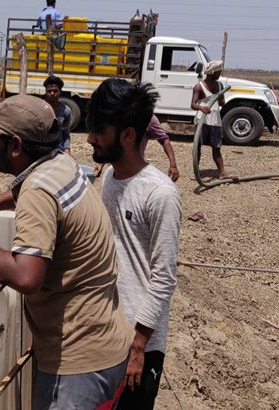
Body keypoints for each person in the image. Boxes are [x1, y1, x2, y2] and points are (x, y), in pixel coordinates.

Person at [0, 95, 133, 409]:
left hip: (77, 362)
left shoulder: (38, 192)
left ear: (14, 145)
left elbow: (27, 277)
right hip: (108, 339)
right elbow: (35, 191)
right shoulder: (60, 163)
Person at [87, 78, 182, 409]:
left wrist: (139, 347)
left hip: (139, 344)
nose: (89, 138)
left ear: (127, 135)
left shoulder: (160, 194)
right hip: (108, 329)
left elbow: (164, 276)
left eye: (99, 129)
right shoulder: (112, 177)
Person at [94, 115, 180, 182]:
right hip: (115, 167)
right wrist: (100, 163)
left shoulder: (149, 118)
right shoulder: (117, 115)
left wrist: (173, 165)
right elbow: (109, 140)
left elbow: (164, 139)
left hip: (134, 169)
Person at [191, 59, 231, 179]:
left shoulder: (220, 85)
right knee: (197, 146)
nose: (220, 73)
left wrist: (220, 96)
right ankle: (196, 172)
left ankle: (222, 173)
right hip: (202, 120)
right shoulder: (199, 86)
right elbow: (193, 105)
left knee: (216, 147)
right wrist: (201, 108)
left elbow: (222, 103)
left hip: (215, 120)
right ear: (212, 72)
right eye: (219, 71)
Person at [43, 75, 71, 155]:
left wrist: (67, 152)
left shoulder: (66, 111)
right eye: (49, 91)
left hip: (59, 151)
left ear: (60, 92)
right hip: (42, 151)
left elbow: (66, 134)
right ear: (45, 92)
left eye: (55, 91)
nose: (52, 93)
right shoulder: (39, 108)